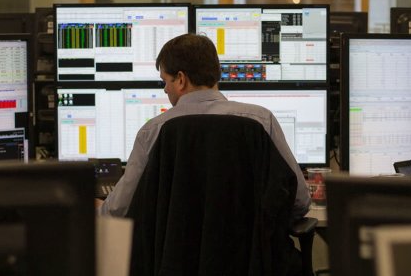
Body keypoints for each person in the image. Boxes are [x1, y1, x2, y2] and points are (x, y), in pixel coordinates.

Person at [99, 33, 310, 218]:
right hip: (250, 263)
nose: (165, 89)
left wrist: (100, 207)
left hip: (174, 262)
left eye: (165, 81)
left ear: (181, 79)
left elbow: (119, 210)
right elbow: (299, 201)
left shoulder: (153, 131)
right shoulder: (261, 121)